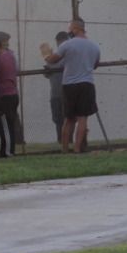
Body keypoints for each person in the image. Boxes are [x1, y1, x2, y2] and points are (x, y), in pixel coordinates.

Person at [42, 18, 101, 153]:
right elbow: (95, 64)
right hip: (87, 84)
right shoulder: (94, 46)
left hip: (69, 85)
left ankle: (64, 149)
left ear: (75, 29)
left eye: (70, 28)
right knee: (82, 118)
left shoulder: (67, 45)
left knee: (68, 119)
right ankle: (77, 149)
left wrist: (46, 54)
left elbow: (53, 60)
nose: (69, 31)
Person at [0, 32, 19, 157]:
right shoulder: (10, 55)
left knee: (5, 125)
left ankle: (7, 151)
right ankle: (8, 149)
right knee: (8, 124)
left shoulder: (1, 58)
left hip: (5, 95)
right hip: (12, 94)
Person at [43, 31, 69, 144]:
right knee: (58, 119)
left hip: (67, 92)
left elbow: (58, 64)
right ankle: (61, 140)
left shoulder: (68, 56)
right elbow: (48, 73)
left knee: (67, 118)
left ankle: (68, 140)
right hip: (55, 93)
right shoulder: (54, 57)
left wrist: (48, 59)